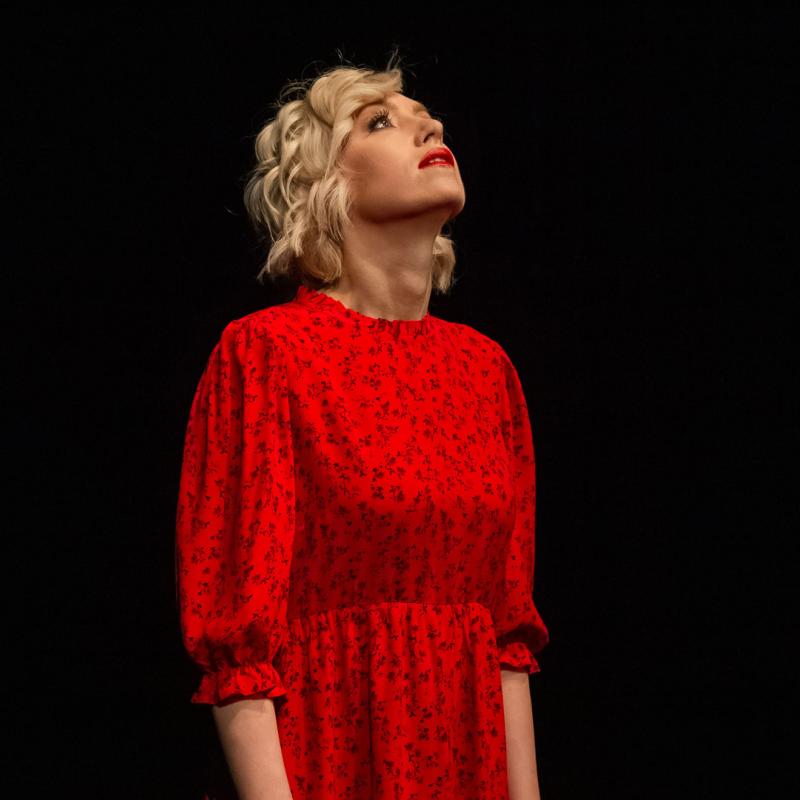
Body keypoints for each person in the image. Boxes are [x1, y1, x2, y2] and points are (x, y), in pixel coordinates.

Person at [175, 54, 550, 800]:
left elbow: (506, 638)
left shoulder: (486, 370)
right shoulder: (268, 354)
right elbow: (238, 649)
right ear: (328, 184)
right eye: (382, 121)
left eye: (427, 118)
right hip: (330, 758)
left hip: (467, 765)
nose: (430, 127)